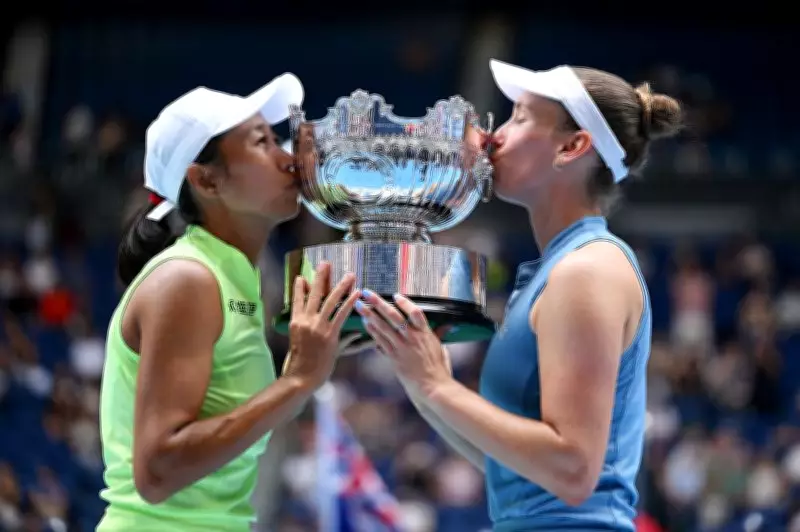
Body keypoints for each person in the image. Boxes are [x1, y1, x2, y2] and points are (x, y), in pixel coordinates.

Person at [355, 59, 682, 531]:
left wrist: (437, 387)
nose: (495, 136)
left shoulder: (585, 271)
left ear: (572, 147)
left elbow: (572, 472)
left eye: (520, 117)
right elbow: (515, 470)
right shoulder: (561, 268)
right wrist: (423, 382)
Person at [97, 73, 362, 531]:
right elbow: (157, 473)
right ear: (206, 180)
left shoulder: (231, 277)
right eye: (263, 143)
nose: (288, 158)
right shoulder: (188, 278)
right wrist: (297, 382)